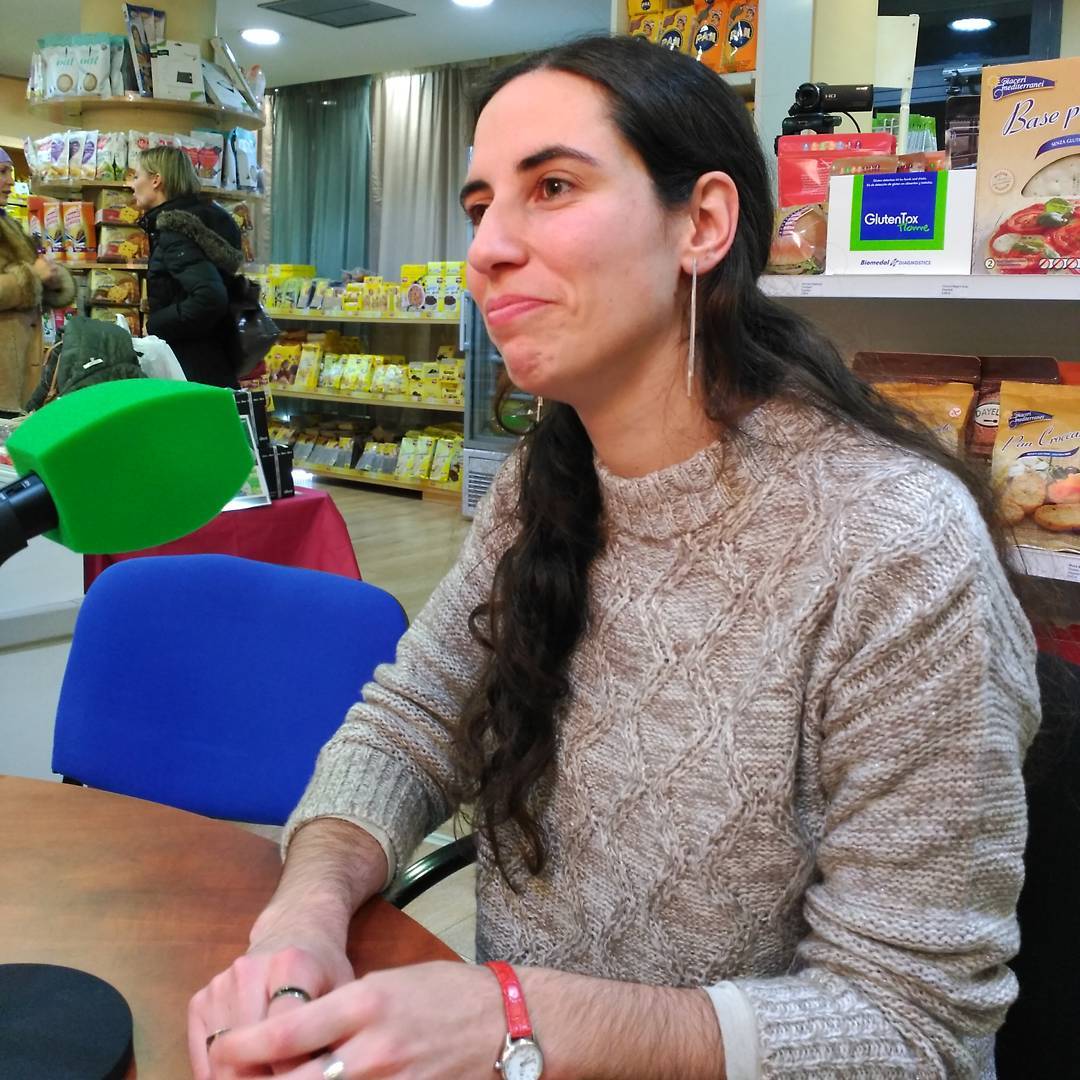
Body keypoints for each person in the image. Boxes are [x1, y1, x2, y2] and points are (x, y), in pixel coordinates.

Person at [190, 36, 1040, 1080]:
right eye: (478, 205)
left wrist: (523, 1018)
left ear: (703, 223)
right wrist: (305, 913)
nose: (486, 249)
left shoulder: (897, 545)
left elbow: (915, 1030)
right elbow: (409, 727)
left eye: (552, 186)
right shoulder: (542, 485)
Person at [132, 146, 243, 388]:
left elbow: (210, 297)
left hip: (190, 363)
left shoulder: (176, 232)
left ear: (156, 180)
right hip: (214, 357)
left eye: (137, 176)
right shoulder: (203, 220)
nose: (132, 184)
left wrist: (156, 325)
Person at [0, 146, 74, 414]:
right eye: (2, 172)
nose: (10, 181)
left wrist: (52, 278)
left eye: (10, 173)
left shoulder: (7, 222)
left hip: (17, 365)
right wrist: (33, 276)